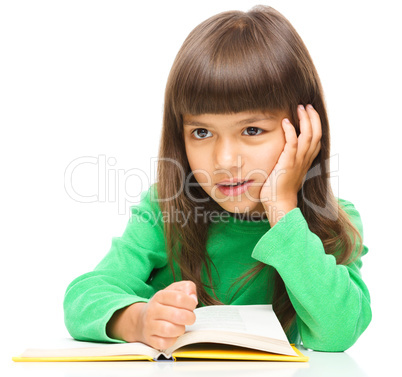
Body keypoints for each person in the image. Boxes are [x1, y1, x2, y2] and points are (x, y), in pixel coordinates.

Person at [63, 5, 372, 352]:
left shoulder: (329, 222)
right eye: (201, 132)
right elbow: (83, 297)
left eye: (252, 129)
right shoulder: (164, 211)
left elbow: (338, 331)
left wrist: (283, 210)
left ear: (303, 130)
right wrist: (140, 320)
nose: (224, 160)